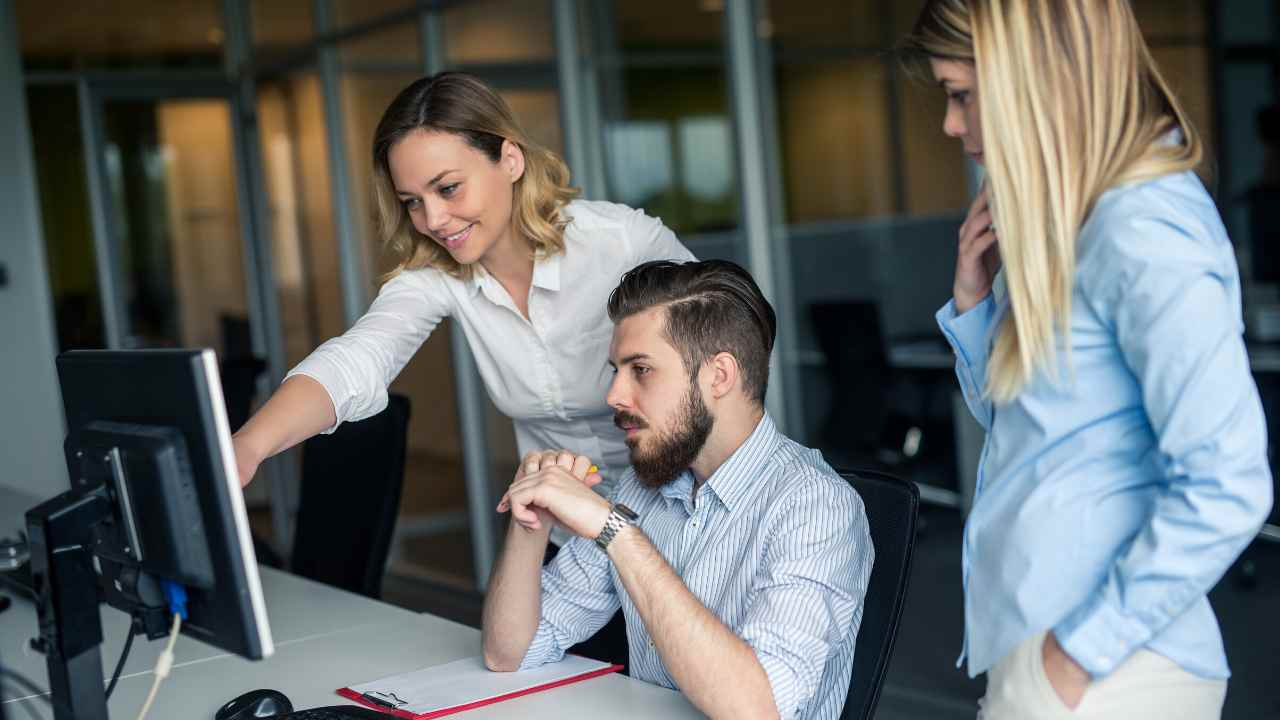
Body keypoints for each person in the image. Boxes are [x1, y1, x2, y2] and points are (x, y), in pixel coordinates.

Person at [902, 2, 1274, 718]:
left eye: (962, 94)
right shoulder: (1080, 219)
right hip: (1048, 653)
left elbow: (1228, 482)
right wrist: (976, 303)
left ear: (1032, 79)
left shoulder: (1143, 227)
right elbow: (1031, 431)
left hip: (1105, 672)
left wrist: (1073, 659)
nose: (951, 125)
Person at [231, 72, 694, 522]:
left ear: (510, 160)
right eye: (411, 201)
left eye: (448, 188)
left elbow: (725, 349)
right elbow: (357, 360)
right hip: (568, 533)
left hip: (682, 514)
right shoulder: (435, 276)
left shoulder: (621, 241)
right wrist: (248, 447)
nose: (433, 219)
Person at [481, 259, 873, 720]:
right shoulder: (644, 487)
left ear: (719, 376)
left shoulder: (815, 506)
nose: (614, 395)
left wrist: (614, 532)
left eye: (641, 370)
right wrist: (533, 521)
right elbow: (508, 653)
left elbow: (757, 707)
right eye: (616, 370)